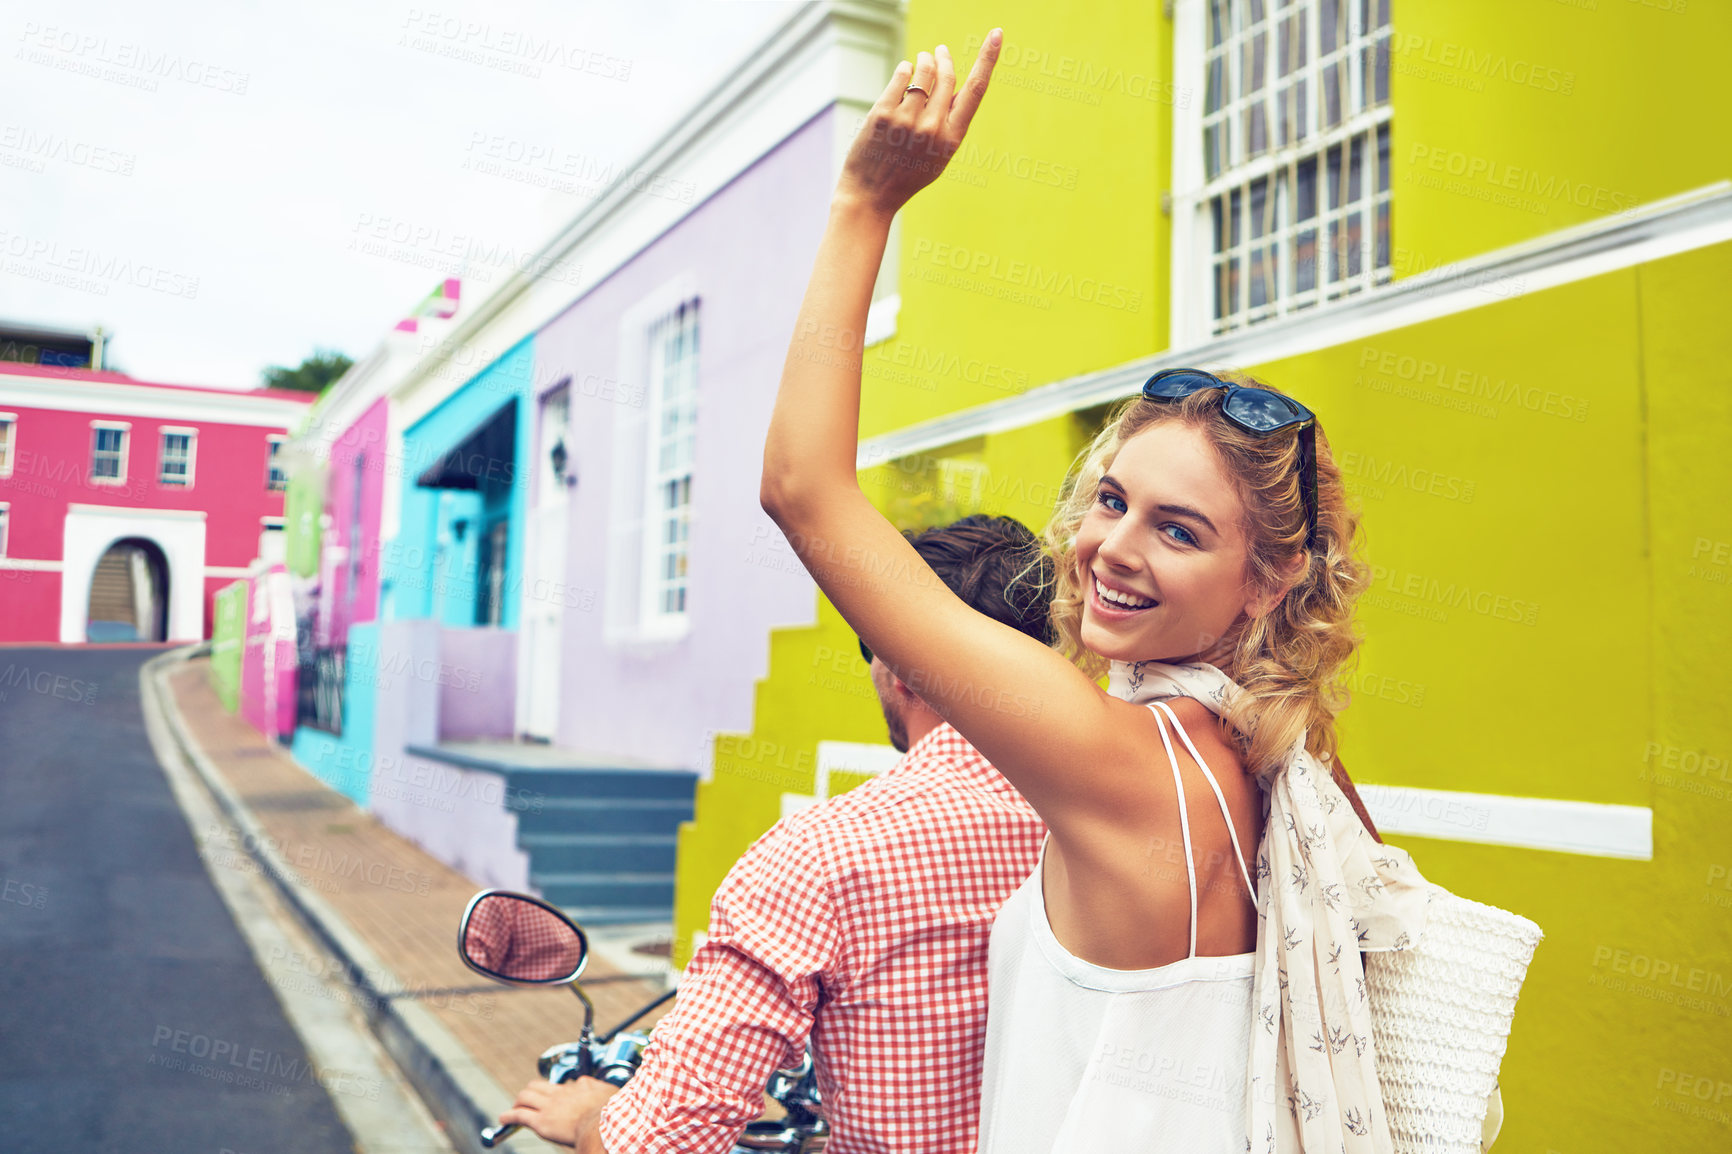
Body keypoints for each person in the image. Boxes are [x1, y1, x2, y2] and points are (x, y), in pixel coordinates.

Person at [757, 31, 1431, 1153]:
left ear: (1264, 580)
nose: (1112, 547)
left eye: (1178, 529)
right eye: (1111, 499)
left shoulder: (1113, 755)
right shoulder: (1289, 760)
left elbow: (803, 491)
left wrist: (863, 205)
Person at [496, 515, 1052, 1152]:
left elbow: (658, 1142)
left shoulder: (820, 855)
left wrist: (589, 1120)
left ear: (903, 662)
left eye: (868, 648)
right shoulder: (1137, 821)